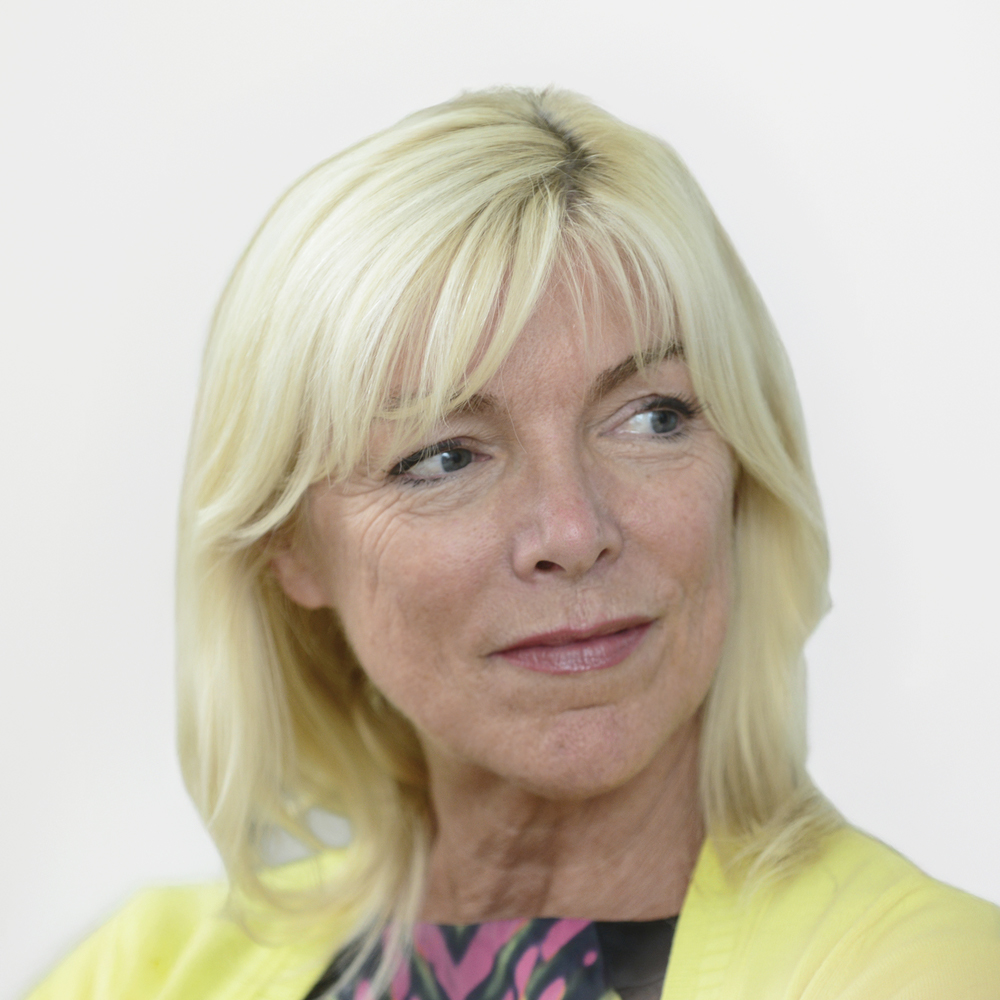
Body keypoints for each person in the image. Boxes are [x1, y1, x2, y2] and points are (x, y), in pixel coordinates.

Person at [27, 87, 1000, 1000]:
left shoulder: (916, 972)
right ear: (292, 548)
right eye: (444, 457)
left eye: (653, 417)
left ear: (743, 465)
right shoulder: (143, 970)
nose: (573, 532)